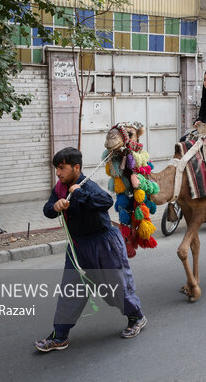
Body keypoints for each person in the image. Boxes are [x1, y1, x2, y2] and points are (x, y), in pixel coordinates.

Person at [35, 147, 147, 352]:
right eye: (56, 169)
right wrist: (56, 206)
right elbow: (47, 209)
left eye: (62, 168)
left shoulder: (88, 186)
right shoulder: (60, 188)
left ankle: (136, 317)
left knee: (116, 288)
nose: (58, 173)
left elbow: (106, 201)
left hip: (104, 244)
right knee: (70, 292)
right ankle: (59, 336)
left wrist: (78, 194)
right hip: (77, 247)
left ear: (76, 168)